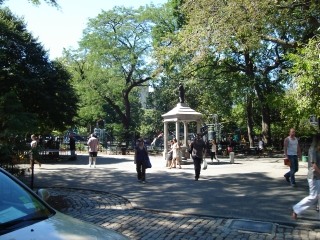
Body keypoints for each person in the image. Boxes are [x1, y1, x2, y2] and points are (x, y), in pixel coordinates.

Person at [291, 133, 320, 219]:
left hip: (317, 176)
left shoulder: (318, 150)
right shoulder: (313, 150)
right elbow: (314, 165)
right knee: (313, 196)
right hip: (314, 176)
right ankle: (296, 208)